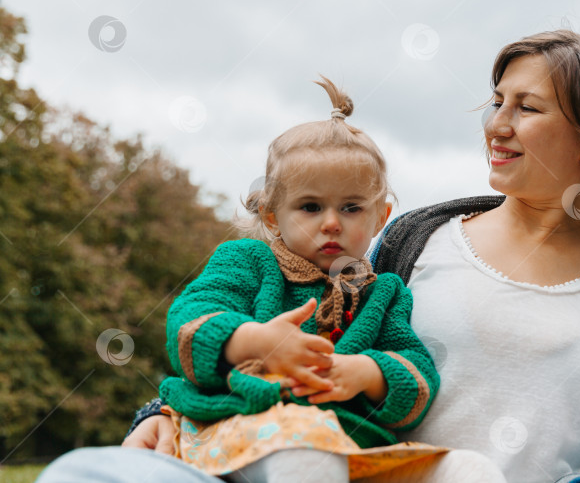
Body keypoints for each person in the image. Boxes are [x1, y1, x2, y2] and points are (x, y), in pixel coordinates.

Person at [36, 31, 580, 483]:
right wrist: (160, 412)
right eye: (496, 100)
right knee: (82, 474)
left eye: (527, 107)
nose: (496, 123)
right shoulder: (408, 242)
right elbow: (272, 323)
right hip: (377, 473)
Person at [121, 76, 449, 482]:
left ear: (380, 216)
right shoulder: (247, 260)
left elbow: (418, 374)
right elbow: (188, 324)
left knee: (462, 469)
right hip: (235, 426)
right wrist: (255, 341)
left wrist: (367, 372)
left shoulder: (382, 292)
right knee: (306, 457)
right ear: (273, 215)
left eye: (351, 207)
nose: (331, 223)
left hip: (346, 443)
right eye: (310, 207)